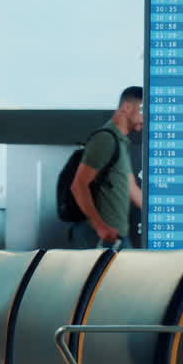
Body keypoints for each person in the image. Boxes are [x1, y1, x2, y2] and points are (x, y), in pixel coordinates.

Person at [68, 86, 144, 250]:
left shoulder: (120, 143)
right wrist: (100, 227)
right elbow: (78, 185)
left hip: (115, 237)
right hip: (99, 237)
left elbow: (132, 189)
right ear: (127, 107)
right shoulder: (105, 139)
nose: (146, 118)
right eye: (144, 111)